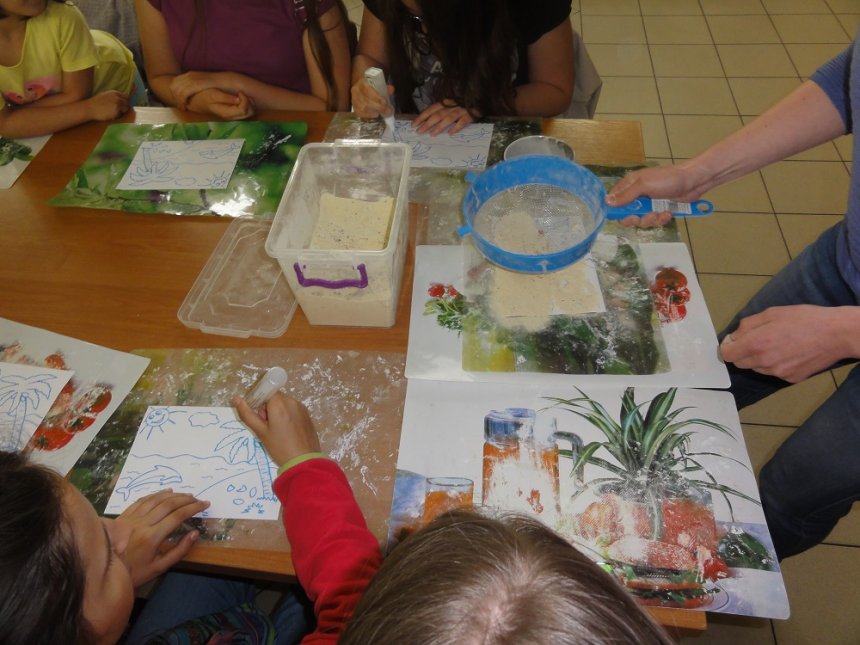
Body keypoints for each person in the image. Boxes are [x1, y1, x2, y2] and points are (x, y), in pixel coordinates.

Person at [606, 35, 860, 560]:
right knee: (710, 380)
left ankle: (713, 571)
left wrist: (844, 331)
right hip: (847, 260)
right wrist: (698, 174)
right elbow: (847, 82)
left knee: (791, 492)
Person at [351, 0, 575, 135]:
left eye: (432, 15)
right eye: (414, 17)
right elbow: (370, 57)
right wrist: (365, 84)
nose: (425, 29)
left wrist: (485, 103)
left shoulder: (534, 5)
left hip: (507, 131)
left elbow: (556, 91)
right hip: (414, 131)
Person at [134, 0, 353, 119]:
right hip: (205, 143)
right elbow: (161, 76)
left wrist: (233, 83)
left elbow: (333, 108)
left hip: (299, 140)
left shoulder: (306, 5)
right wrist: (197, 100)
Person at [0, 0, 142, 138]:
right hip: (82, 107)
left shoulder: (63, 16)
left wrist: (16, 115)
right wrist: (13, 117)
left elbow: (77, 96)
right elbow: (5, 125)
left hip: (112, 87)